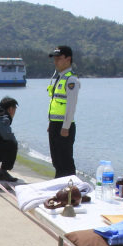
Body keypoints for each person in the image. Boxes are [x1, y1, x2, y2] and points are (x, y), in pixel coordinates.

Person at [47, 45, 80, 178]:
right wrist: (51, 124)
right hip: (55, 124)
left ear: (68, 59)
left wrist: (65, 126)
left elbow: (71, 106)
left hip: (64, 126)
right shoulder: (59, 77)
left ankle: (71, 189)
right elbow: (56, 104)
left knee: (65, 161)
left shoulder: (71, 79)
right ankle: (59, 186)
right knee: (56, 161)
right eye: (55, 58)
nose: (56, 61)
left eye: (59, 58)